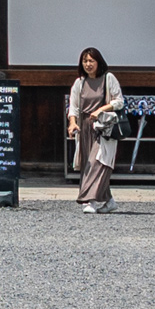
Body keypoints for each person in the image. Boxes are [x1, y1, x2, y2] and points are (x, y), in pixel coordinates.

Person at [66, 47, 125, 212]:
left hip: (103, 127)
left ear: (99, 62)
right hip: (85, 127)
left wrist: (101, 109)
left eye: (91, 60)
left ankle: (89, 200)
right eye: (85, 61)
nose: (88, 64)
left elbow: (119, 101)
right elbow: (73, 106)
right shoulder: (80, 82)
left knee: (98, 162)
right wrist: (72, 123)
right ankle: (109, 201)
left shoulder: (108, 78)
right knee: (88, 163)